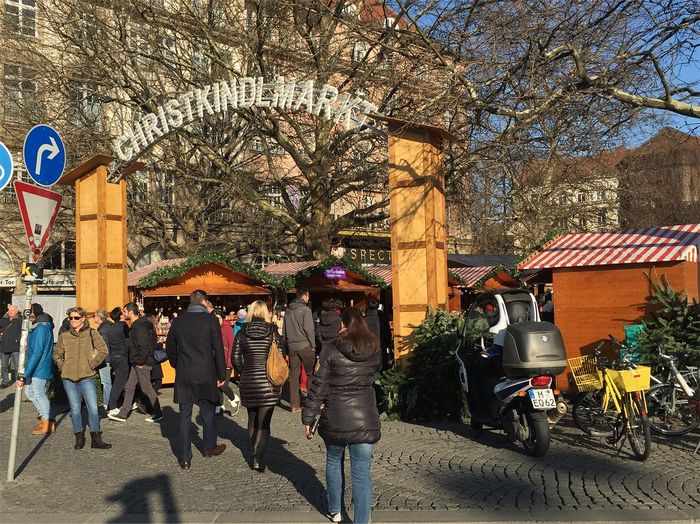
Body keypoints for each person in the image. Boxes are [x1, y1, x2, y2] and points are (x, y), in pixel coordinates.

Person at [302, 307, 381, 524]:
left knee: (334, 461)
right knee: (362, 473)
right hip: (364, 417)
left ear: (343, 325)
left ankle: (335, 510)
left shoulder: (330, 349)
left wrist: (308, 417)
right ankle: (361, 521)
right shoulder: (373, 348)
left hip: (335, 415)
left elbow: (318, 385)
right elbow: (375, 374)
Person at [165, 289, 227, 470]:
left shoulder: (178, 321)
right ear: (204, 302)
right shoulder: (211, 320)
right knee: (208, 414)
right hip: (206, 372)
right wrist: (221, 374)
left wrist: (177, 365)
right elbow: (218, 349)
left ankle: (185, 458)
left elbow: (170, 348)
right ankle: (209, 447)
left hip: (185, 374)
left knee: (184, 417)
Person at [232, 299, 281, 472]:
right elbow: (281, 354)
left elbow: (235, 357)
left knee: (252, 419)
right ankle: (258, 458)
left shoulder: (242, 331)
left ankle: (255, 450)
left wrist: (244, 371)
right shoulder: (273, 331)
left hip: (249, 380)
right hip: (268, 382)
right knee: (264, 422)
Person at [53, 307, 111, 450]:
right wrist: (63, 366)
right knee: (75, 409)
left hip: (87, 376)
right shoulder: (64, 336)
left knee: (93, 408)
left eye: (76, 318)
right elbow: (56, 355)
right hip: (68, 378)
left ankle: (95, 438)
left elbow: (103, 350)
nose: (73, 320)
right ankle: (79, 437)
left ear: (83, 318)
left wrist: (92, 364)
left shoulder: (92, 333)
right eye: (70, 318)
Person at [108, 302, 163, 423]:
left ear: (131, 312)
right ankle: (123, 413)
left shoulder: (140, 326)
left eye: (124, 311)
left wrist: (141, 361)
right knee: (129, 386)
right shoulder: (139, 325)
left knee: (146, 387)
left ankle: (158, 412)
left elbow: (144, 346)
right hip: (137, 360)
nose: (123, 313)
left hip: (141, 361)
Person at [21, 303, 55, 435]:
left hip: (39, 367)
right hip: (36, 366)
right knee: (29, 392)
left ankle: (46, 421)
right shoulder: (40, 327)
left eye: (30, 313)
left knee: (39, 393)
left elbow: (37, 352)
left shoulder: (41, 328)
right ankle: (45, 417)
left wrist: (26, 371)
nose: (28, 316)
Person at [283, 288, 316, 412]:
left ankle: (294, 405)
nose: (309, 298)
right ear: (303, 296)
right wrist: (313, 345)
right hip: (305, 345)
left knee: (293, 375)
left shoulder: (288, 310)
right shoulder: (305, 310)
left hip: (292, 346)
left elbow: (285, 330)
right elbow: (309, 329)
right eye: (308, 296)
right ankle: (312, 402)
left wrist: (287, 346)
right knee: (310, 374)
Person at [213, 309, 240, 417]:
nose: (216, 320)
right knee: (216, 385)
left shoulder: (227, 329)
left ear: (222, 318)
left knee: (223, 385)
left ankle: (234, 400)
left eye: (218, 318)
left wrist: (229, 362)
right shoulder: (211, 330)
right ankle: (219, 405)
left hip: (226, 363)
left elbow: (232, 346)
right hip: (214, 362)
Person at [105, 307, 130, 412]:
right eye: (123, 312)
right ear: (120, 316)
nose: (125, 313)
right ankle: (112, 405)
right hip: (122, 356)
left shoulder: (111, 327)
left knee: (124, 381)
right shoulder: (123, 326)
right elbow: (128, 343)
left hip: (114, 356)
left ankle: (129, 401)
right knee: (119, 383)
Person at [363, 296, 392, 370]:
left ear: (366, 306)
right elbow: (388, 336)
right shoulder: (383, 318)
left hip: (367, 353)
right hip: (381, 351)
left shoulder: (363, 321)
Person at [94, 309, 113, 410]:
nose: (94, 318)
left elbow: (103, 346)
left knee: (106, 382)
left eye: (95, 316)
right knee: (107, 381)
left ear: (99, 317)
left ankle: (107, 402)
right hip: (108, 357)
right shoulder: (107, 327)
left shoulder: (103, 330)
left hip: (105, 358)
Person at [0, 304, 21, 388]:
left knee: (17, 365)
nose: (10, 312)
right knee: (4, 365)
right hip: (4, 345)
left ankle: (17, 380)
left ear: (16, 311)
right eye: (9, 310)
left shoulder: (20, 320)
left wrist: (18, 339)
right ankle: (5, 381)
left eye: (12, 310)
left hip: (15, 346)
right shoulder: (3, 319)